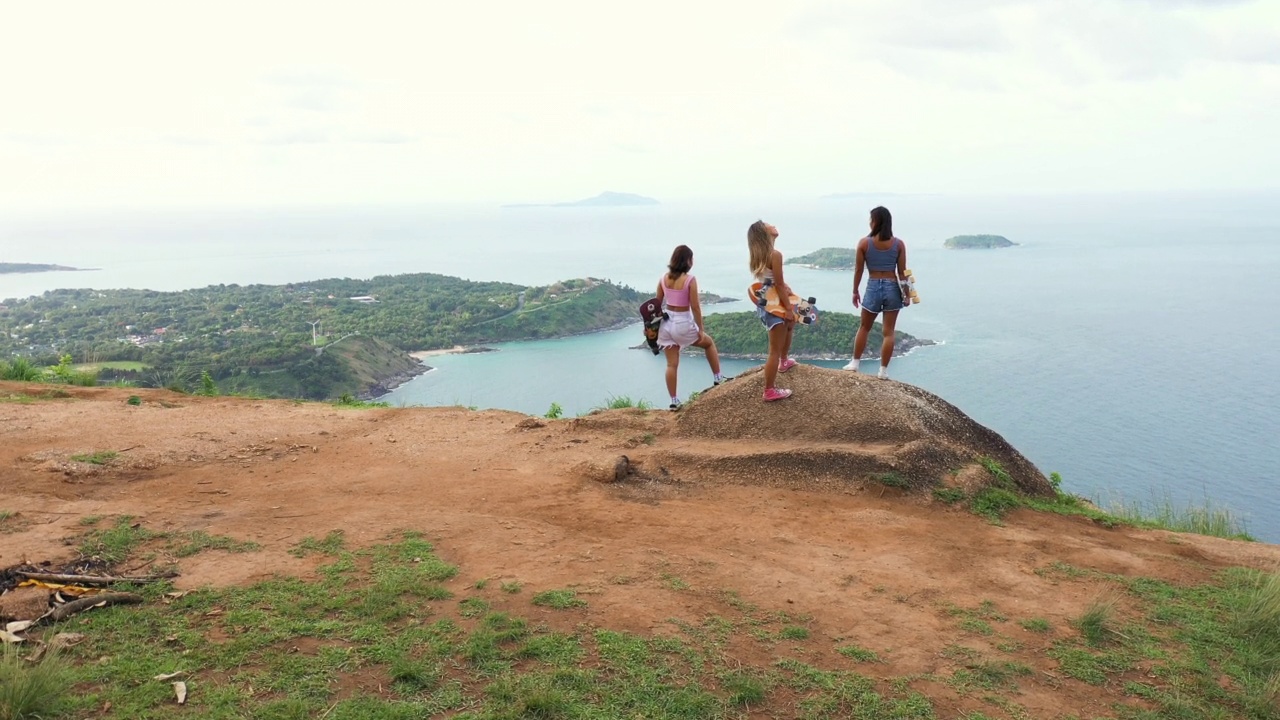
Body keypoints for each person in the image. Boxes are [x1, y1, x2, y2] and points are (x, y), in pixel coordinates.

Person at [656, 245, 726, 410]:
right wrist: (700, 328)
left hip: (665, 323)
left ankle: (674, 401)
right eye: (691, 258)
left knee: (671, 365)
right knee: (708, 343)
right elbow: (695, 306)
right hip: (682, 322)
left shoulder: (663, 279)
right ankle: (718, 378)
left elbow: (656, 305)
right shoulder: (689, 279)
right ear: (687, 260)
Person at [845, 206, 909, 379]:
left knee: (864, 327)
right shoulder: (899, 244)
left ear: (875, 221)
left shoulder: (864, 243)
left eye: (871, 219)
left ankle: (855, 363)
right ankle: (883, 371)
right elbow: (902, 272)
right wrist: (907, 294)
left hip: (873, 285)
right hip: (892, 286)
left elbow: (858, 270)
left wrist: (855, 291)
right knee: (889, 332)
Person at [746, 220, 796, 402]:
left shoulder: (759, 255)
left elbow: (770, 281)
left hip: (766, 303)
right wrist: (789, 308)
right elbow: (780, 284)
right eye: (768, 225)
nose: (773, 225)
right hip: (775, 304)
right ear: (764, 233)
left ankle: (784, 361)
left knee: (789, 326)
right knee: (773, 350)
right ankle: (769, 390)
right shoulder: (775, 254)